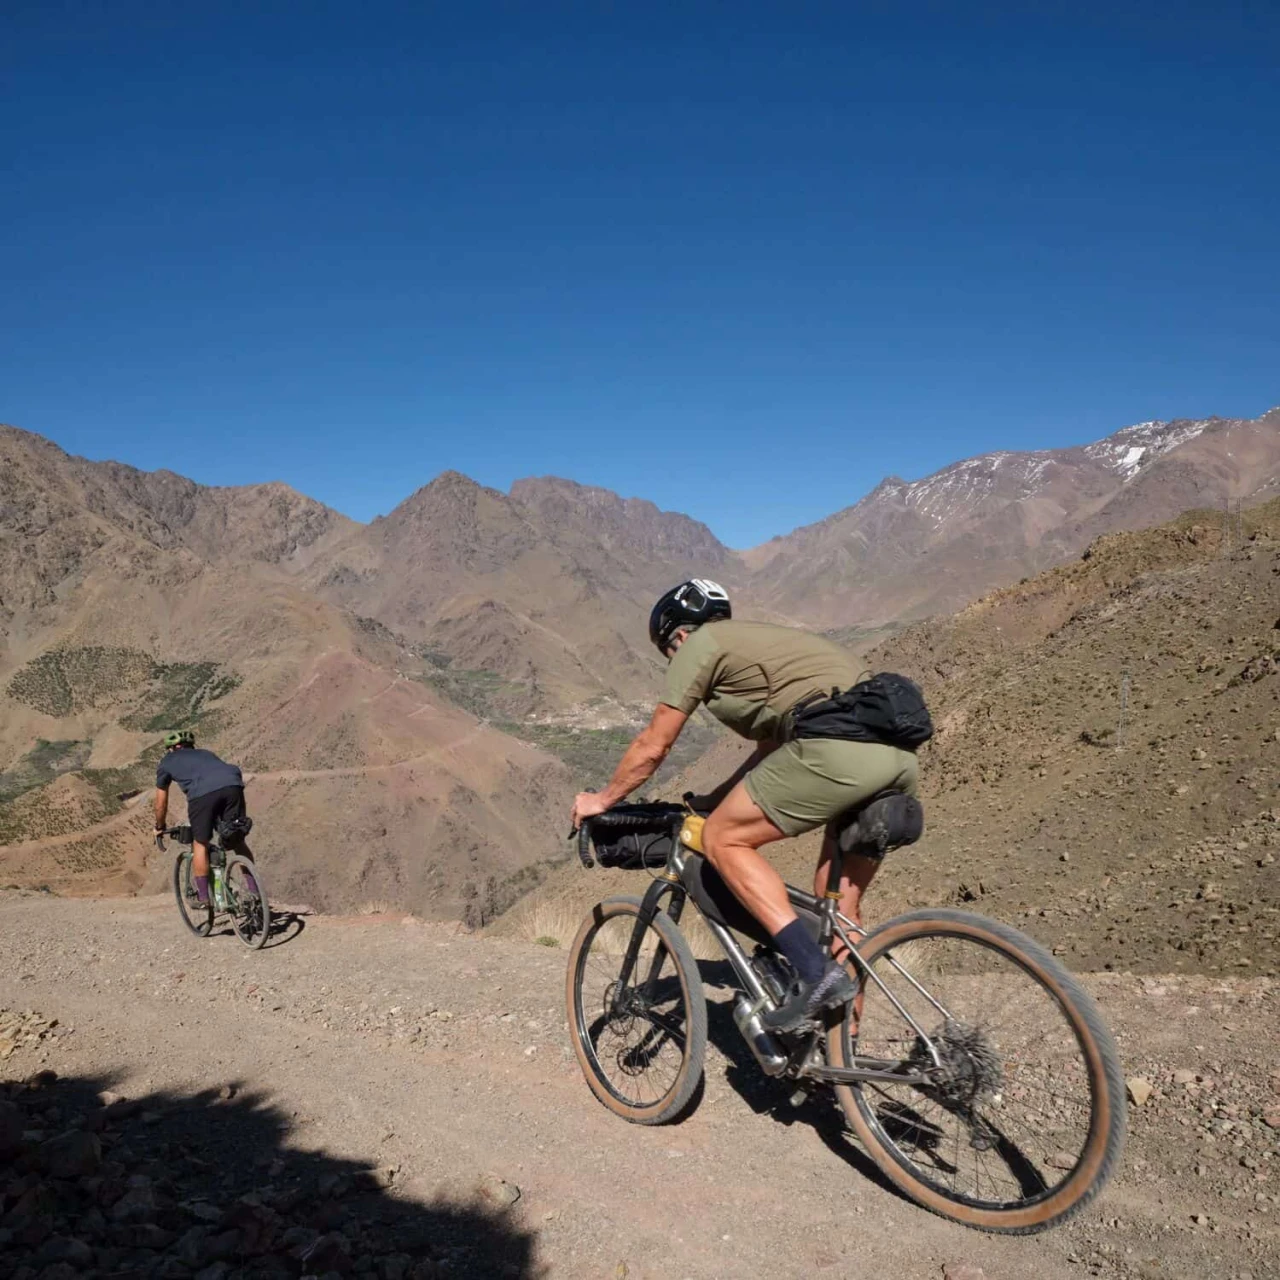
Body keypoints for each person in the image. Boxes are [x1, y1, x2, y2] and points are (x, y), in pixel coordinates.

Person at [570, 579, 920, 1032]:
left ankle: (814, 974)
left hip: (835, 752)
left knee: (722, 839)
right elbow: (770, 753)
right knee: (839, 911)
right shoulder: (770, 648)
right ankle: (843, 1044)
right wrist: (711, 801)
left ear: (679, 635)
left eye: (669, 652)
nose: (674, 661)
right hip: (897, 761)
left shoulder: (701, 645)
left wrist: (601, 800)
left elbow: (654, 745)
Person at [153, 730, 257, 903]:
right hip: (233, 785)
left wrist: (159, 826)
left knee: (200, 843)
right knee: (237, 839)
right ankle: (255, 891)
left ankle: (203, 897)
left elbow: (160, 803)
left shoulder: (167, 762)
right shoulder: (206, 753)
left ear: (172, 748)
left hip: (201, 795)